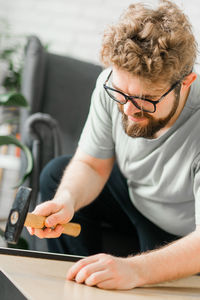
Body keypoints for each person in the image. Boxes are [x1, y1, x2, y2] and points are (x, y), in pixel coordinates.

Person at [27, 0, 200, 290]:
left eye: (146, 100)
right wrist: (66, 202)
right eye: (121, 94)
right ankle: (82, 285)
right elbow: (92, 164)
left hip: (181, 228)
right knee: (57, 175)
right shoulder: (111, 83)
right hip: (134, 192)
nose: (129, 110)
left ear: (186, 83)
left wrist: (134, 271)